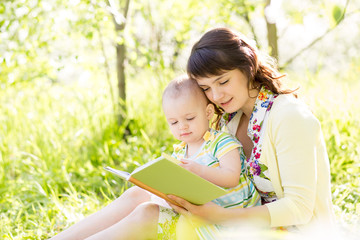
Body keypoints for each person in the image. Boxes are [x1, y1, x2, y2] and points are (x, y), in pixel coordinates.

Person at [167, 27, 335, 236]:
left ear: (248, 66)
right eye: (206, 88)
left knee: (160, 220)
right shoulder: (229, 120)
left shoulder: (289, 116)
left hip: (295, 233)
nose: (216, 95)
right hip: (238, 227)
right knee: (146, 206)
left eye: (223, 81)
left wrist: (220, 217)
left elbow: (299, 209)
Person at [49, 75, 260, 240]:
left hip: (227, 223)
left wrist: (198, 170)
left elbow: (232, 177)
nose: (182, 126)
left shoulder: (221, 142)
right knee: (137, 194)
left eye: (189, 118)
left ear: (207, 112)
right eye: (174, 122)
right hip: (198, 214)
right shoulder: (181, 151)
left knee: (146, 211)